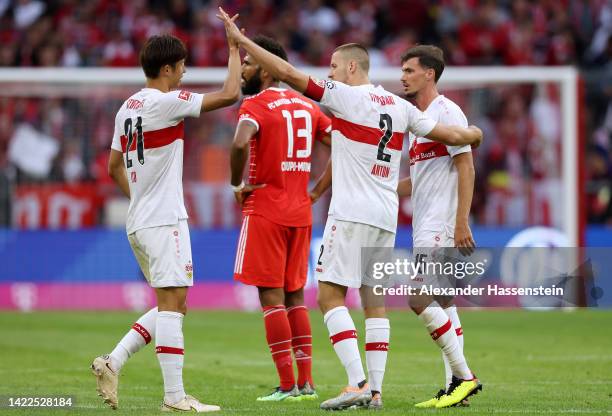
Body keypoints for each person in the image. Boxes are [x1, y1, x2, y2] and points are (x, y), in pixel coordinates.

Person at [216, 6, 483, 411]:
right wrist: (474, 134)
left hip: (352, 212)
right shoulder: (401, 106)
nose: (331, 73)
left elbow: (286, 74)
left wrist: (241, 42)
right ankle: (375, 392)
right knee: (374, 301)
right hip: (385, 214)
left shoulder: (347, 96)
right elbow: (453, 135)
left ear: (353, 68)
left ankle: (357, 382)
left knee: (328, 295)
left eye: (335, 66)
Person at [90, 28, 240, 413]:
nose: (185, 72)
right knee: (173, 306)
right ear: (169, 68)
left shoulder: (127, 108)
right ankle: (175, 397)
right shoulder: (166, 102)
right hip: (163, 219)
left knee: (176, 303)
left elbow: (112, 167)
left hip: (139, 219)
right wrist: (236, 48)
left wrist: (140, 196)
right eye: (183, 66)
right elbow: (229, 94)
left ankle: (113, 362)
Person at [229, 35, 331, 402]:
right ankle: (306, 382)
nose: (243, 68)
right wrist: (317, 190)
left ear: (269, 69)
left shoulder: (255, 105)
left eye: (250, 63)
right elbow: (343, 147)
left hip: (267, 210)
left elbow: (240, 143)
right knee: (295, 298)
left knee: (271, 299)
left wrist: (235, 184)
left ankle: (287, 385)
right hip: (301, 212)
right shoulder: (308, 107)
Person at [397, 45, 482, 409]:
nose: (403, 77)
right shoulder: (420, 124)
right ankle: (454, 388)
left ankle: (465, 378)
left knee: (417, 299)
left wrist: (461, 221)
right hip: (425, 224)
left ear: (429, 73)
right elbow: (417, 181)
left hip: (442, 225)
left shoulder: (448, 112)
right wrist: (376, 184)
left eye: (409, 70)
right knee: (444, 302)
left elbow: (466, 166)